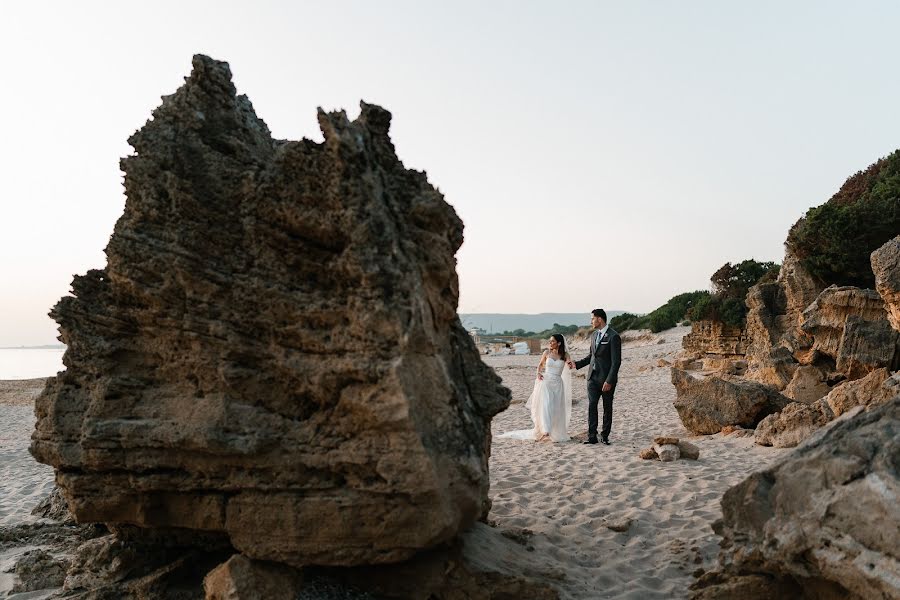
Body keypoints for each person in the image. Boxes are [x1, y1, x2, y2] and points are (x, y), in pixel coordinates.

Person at [568, 309, 621, 445]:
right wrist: (576, 364)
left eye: (592, 319)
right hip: (592, 378)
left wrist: (609, 380)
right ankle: (592, 436)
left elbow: (616, 362)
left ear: (599, 319)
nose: (591, 321)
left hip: (606, 379)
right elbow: (591, 356)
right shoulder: (593, 336)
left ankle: (605, 436)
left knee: (607, 407)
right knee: (592, 406)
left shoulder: (613, 336)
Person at [525, 334, 573, 442]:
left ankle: (552, 430)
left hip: (558, 384)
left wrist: (570, 364)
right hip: (546, 382)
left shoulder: (565, 355)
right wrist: (538, 373)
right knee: (546, 405)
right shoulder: (546, 353)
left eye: (552, 341)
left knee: (555, 407)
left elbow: (570, 364)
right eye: (550, 341)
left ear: (559, 343)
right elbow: (540, 365)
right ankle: (546, 431)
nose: (550, 343)